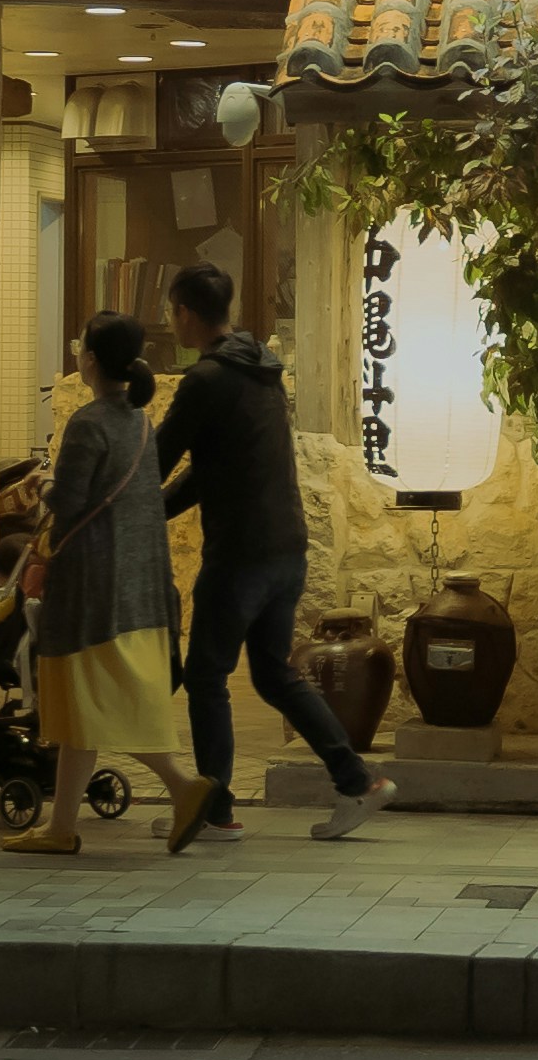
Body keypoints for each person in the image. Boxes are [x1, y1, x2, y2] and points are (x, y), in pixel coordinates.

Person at [156, 258, 387, 842]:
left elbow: (157, 460)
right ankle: (358, 782)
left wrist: (124, 503)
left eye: (171, 312)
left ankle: (214, 812)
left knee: (206, 676)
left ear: (184, 313)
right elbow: (212, 469)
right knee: (272, 674)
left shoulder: (206, 380)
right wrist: (159, 507)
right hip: (285, 547)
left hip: (239, 553)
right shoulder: (261, 371)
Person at [13, 310, 214, 859]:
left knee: (92, 705)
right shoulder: (140, 421)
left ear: (90, 360)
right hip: (133, 589)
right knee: (85, 712)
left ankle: (181, 785)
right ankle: (60, 826)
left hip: (89, 591)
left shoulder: (88, 423)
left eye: (80, 345)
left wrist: (45, 481)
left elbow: (70, 501)